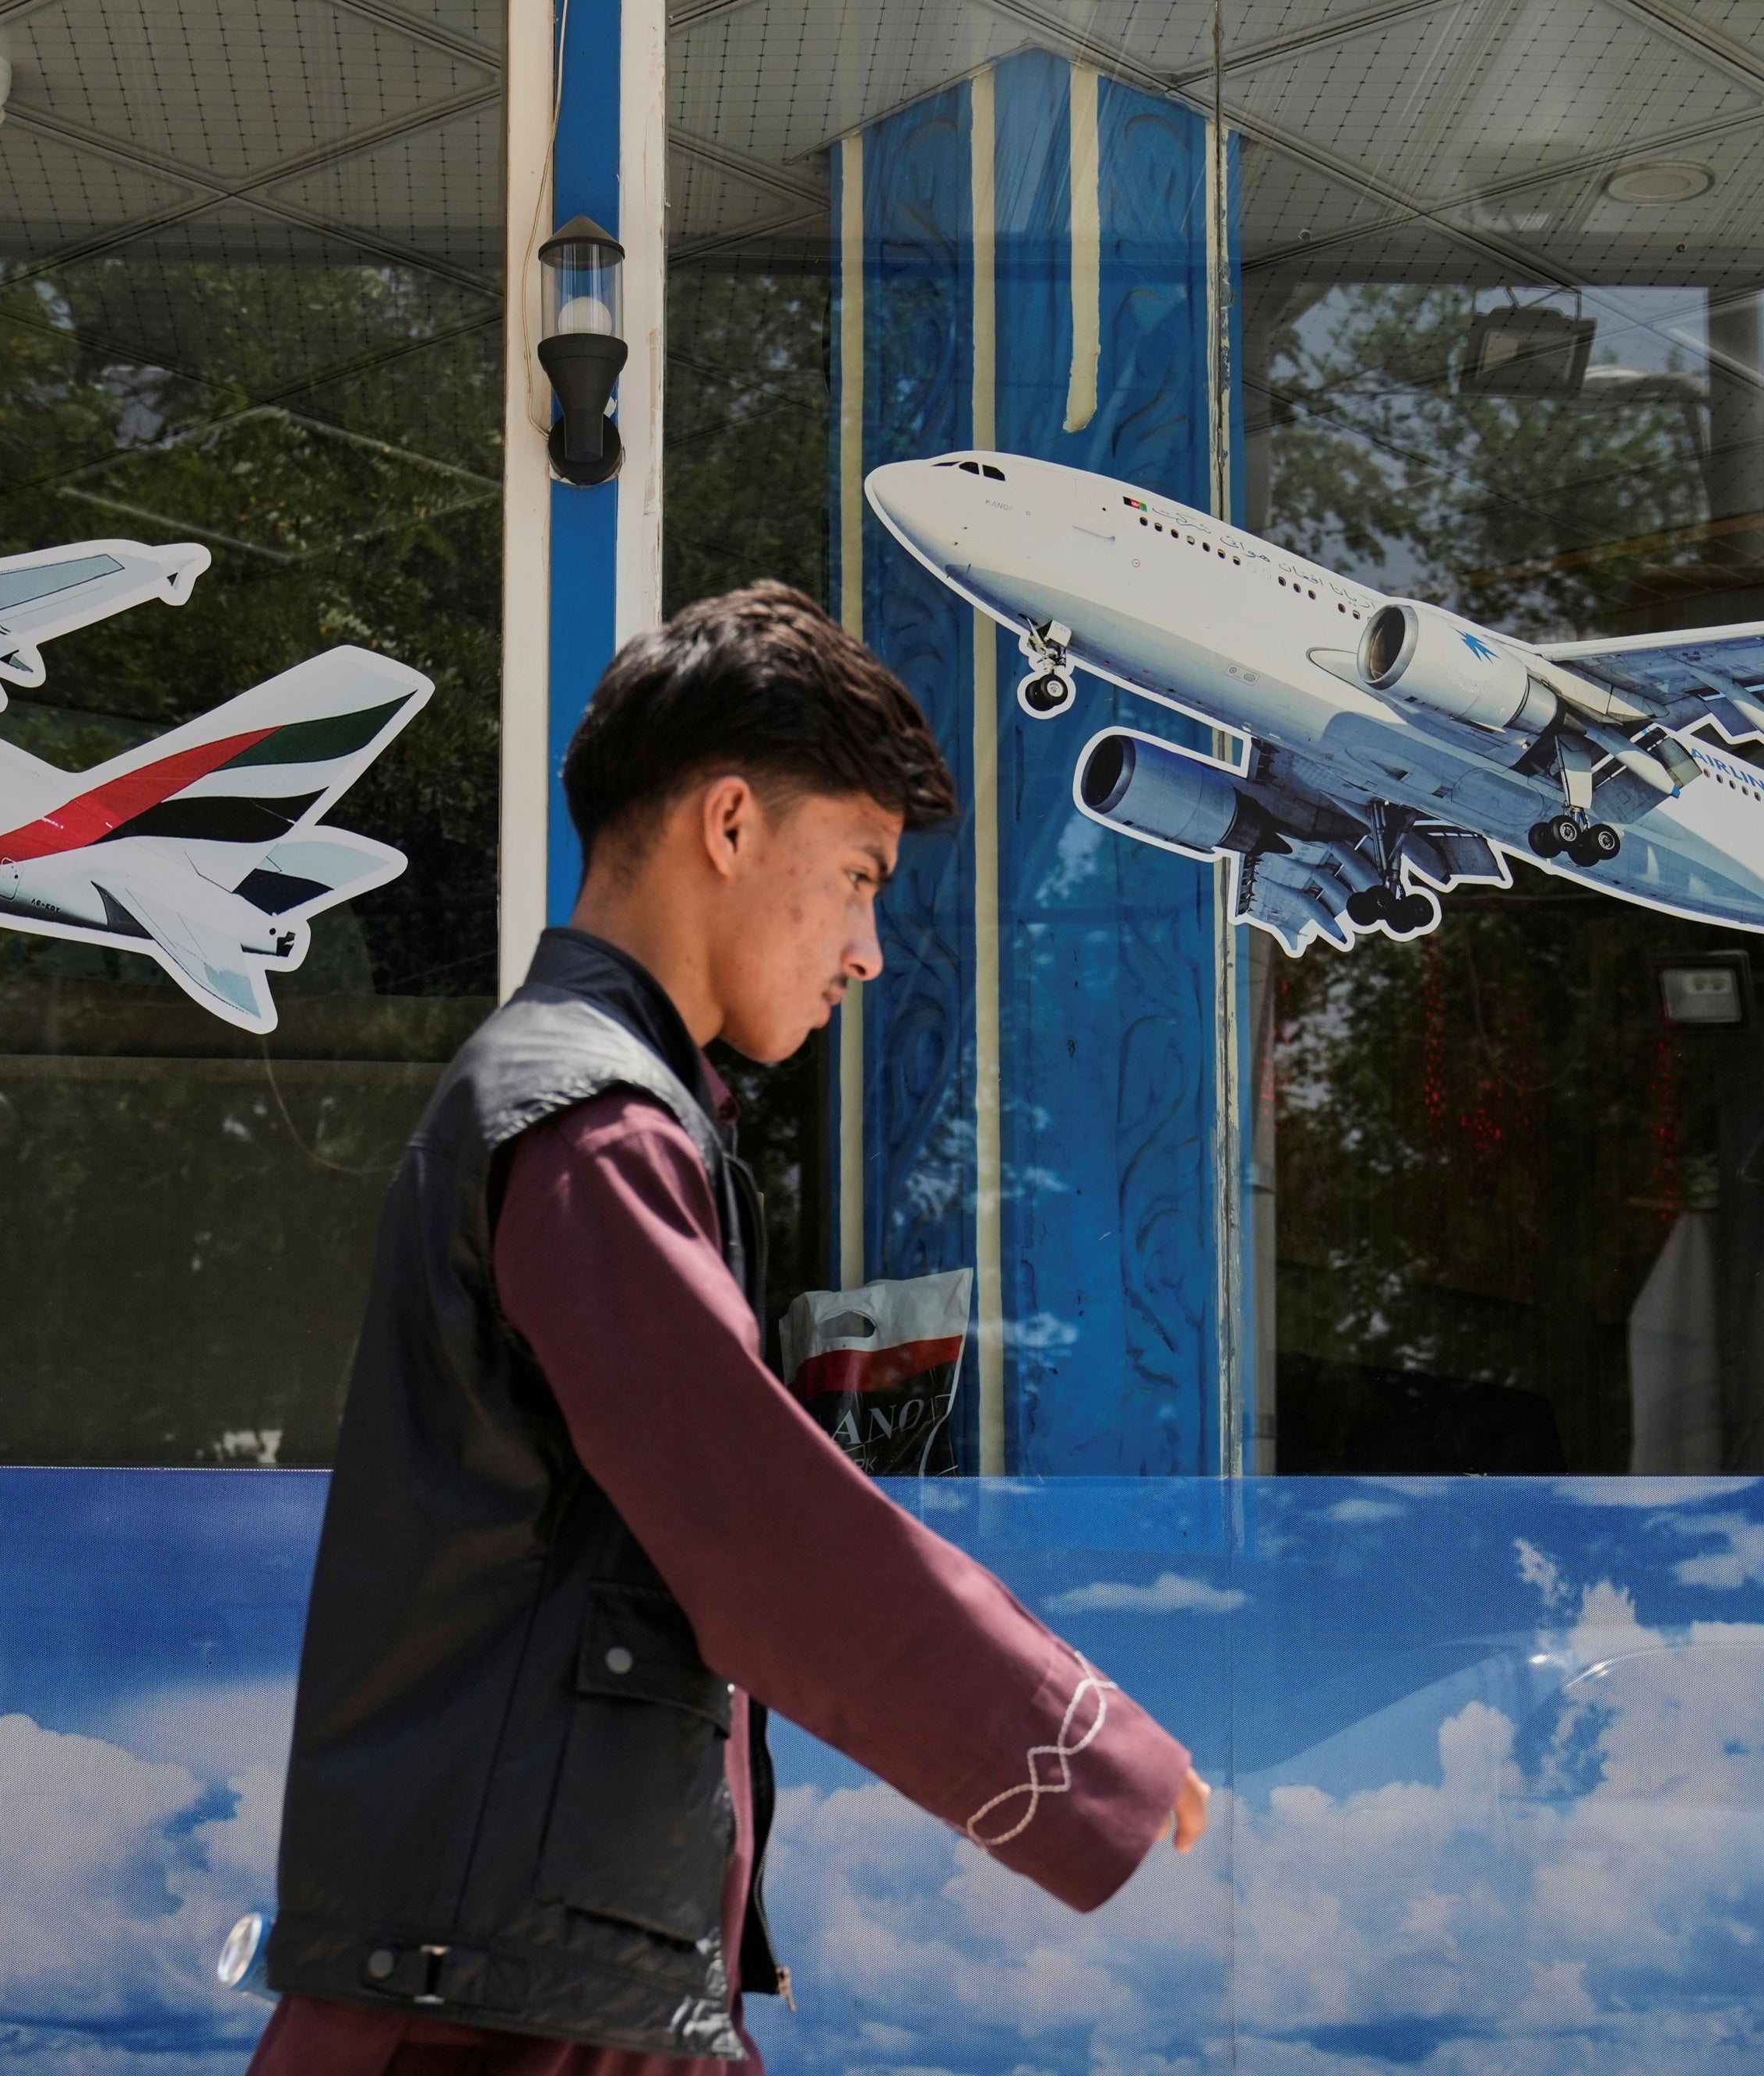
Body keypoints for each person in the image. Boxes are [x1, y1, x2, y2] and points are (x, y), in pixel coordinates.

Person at [251, 581, 1209, 2076]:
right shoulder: (594, 1131)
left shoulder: (593, 1108)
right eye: (861, 872)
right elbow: (768, 1539)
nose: (869, 947)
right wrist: (1074, 1751)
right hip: (504, 2019)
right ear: (733, 824)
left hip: (532, 1986)